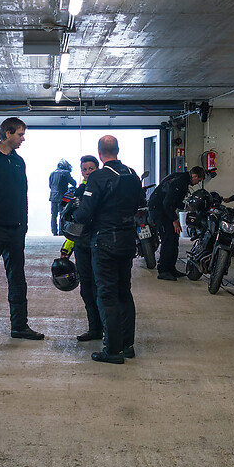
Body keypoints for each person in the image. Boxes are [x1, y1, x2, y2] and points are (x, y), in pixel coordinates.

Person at [0, 117, 44, 349]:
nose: (23, 139)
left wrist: (23, 226)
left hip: (15, 231)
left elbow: (22, 195)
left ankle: (19, 326)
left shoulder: (18, 161)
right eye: (20, 134)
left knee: (18, 281)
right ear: (8, 133)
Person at [74, 135, 145, 364]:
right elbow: (139, 204)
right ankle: (128, 345)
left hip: (105, 241)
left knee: (106, 294)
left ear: (99, 152)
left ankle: (113, 350)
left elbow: (84, 213)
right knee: (124, 292)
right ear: (118, 149)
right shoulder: (132, 174)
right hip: (127, 240)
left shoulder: (98, 177)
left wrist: (76, 212)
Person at [60, 155, 102, 340]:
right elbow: (74, 225)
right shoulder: (78, 192)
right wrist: (66, 249)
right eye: (84, 169)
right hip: (81, 246)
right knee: (86, 289)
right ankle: (94, 329)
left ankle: (108, 329)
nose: (87, 172)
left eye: (91, 169)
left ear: (97, 168)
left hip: (100, 245)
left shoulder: (103, 188)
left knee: (101, 289)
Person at [149, 165, 206, 280]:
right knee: (168, 239)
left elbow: (175, 201)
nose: (197, 183)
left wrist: (187, 207)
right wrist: (174, 220)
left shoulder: (181, 178)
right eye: (198, 180)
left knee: (174, 238)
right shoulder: (180, 183)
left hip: (164, 209)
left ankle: (171, 268)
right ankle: (163, 271)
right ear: (195, 176)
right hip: (158, 210)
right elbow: (167, 203)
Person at [49, 158, 76, 235]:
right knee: (62, 213)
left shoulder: (52, 173)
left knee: (54, 214)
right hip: (62, 197)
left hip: (53, 196)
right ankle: (61, 231)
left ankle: (54, 231)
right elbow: (74, 183)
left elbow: (50, 185)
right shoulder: (65, 173)